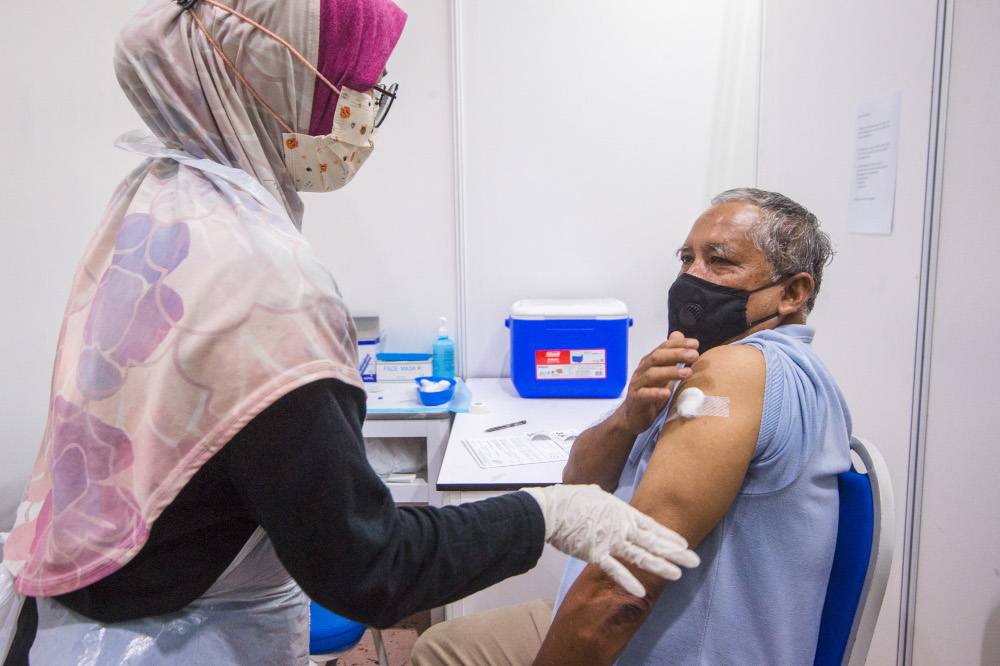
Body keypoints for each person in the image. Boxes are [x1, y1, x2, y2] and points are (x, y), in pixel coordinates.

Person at [0, 1, 699, 663]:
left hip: (89, 600)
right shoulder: (261, 286)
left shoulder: (161, 199)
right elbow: (368, 565)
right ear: (276, 82)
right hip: (167, 638)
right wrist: (547, 513)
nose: (366, 112)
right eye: (355, 86)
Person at [409, 187, 852, 665]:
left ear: (792, 292)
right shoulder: (703, 363)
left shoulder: (736, 373)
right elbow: (580, 484)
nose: (691, 277)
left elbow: (623, 592)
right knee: (441, 644)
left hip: (670, 645)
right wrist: (627, 417)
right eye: (686, 259)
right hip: (652, 625)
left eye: (719, 261)